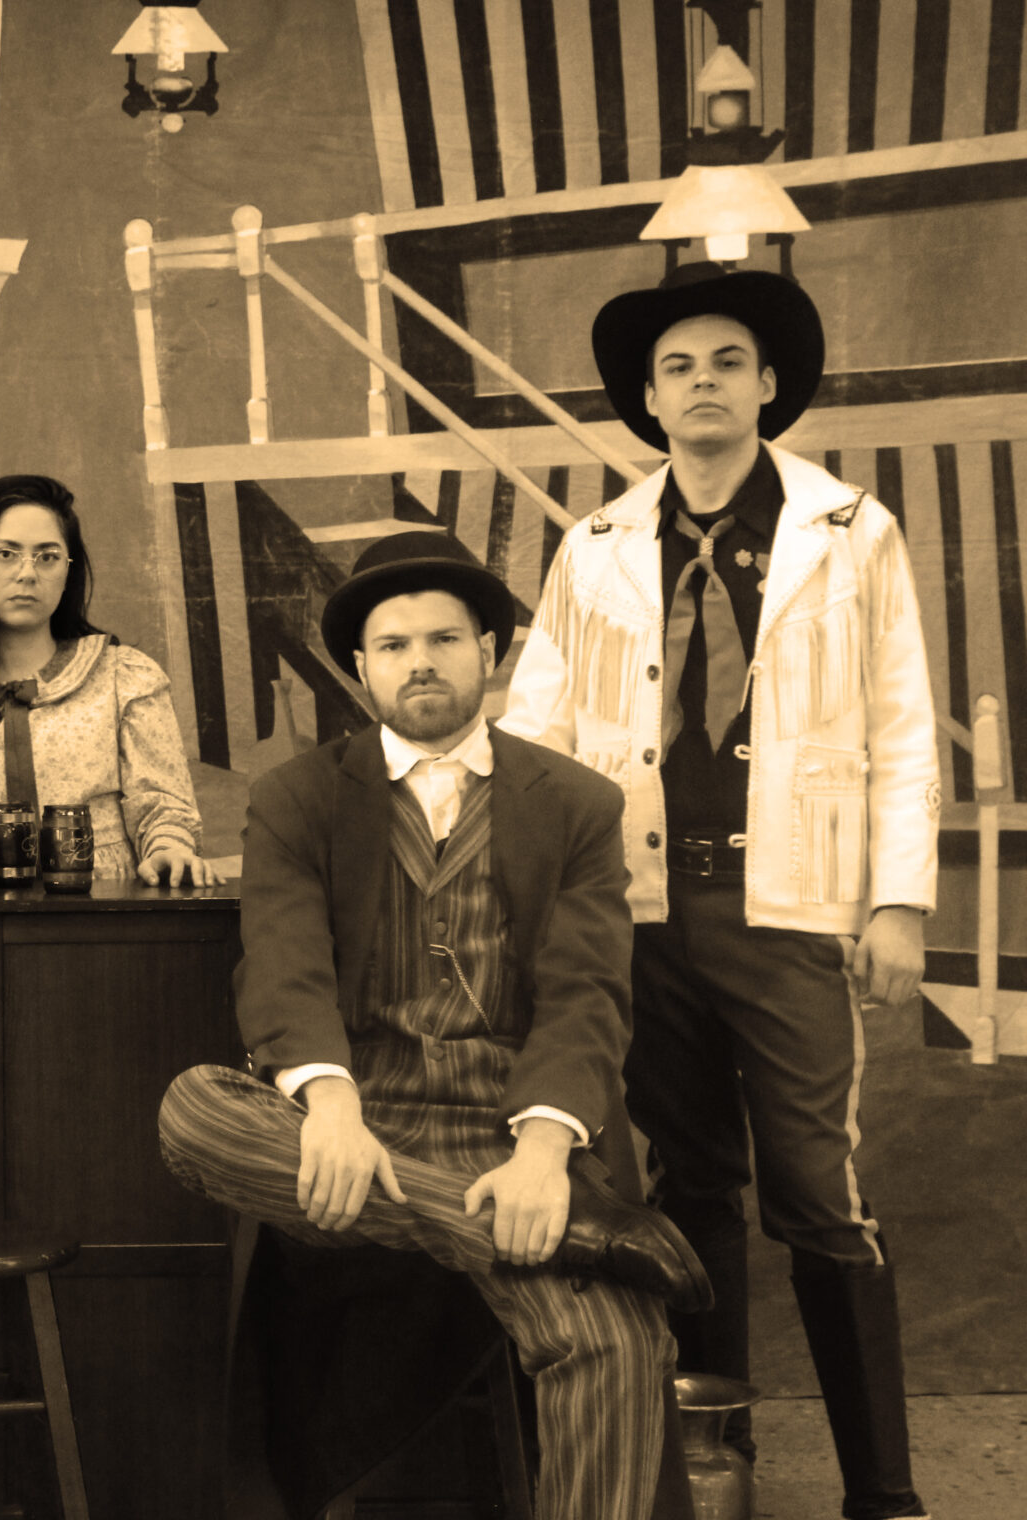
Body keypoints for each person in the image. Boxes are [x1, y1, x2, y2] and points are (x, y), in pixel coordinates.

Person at [501, 265, 938, 1520]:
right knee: (689, 1185)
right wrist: (540, 898)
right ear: (647, 397)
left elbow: (902, 723)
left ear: (768, 385)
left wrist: (896, 899)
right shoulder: (592, 550)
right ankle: (714, 1481)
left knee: (817, 1186)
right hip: (638, 909)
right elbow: (536, 731)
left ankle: (886, 1492)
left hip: (785, 904)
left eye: (728, 361)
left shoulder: (851, 531)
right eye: (678, 366)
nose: (703, 382)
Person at [155, 533, 710, 1520]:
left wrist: (544, 1154)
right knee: (193, 1109)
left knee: (615, 1342)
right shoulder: (299, 796)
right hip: (361, 1126)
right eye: (393, 642)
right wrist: (327, 1106)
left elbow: (588, 992)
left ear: (489, 651)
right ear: (360, 666)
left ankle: (518, 1211)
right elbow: (281, 964)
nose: (420, 660)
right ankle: (506, 1227)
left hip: (510, 1130)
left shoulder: (576, 802)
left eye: (444, 638)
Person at [0, 473, 216, 885]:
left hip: (103, 915)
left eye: (48, 556)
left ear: (68, 570)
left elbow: (164, 807)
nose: (27, 573)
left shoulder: (122, 678)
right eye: (5, 554)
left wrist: (168, 849)